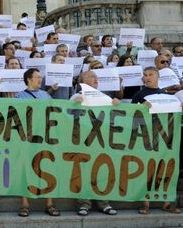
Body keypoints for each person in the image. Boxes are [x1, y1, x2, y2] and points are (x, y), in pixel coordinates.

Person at [132, 67, 181, 215]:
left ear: (158, 76)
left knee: (165, 169)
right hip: (145, 137)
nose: (147, 77)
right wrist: (141, 108)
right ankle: (146, 203)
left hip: (165, 139)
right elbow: (131, 115)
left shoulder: (166, 95)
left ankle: (166, 203)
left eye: (151, 74)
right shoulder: (139, 95)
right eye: (145, 75)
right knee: (147, 170)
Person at [70, 71, 118, 216]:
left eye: (96, 77)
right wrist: (75, 104)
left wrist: (117, 104)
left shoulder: (104, 97)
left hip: (101, 141)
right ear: (82, 81)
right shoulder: (76, 96)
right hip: (83, 141)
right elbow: (68, 113)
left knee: (102, 170)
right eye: (91, 76)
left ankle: (104, 203)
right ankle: (84, 203)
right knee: (84, 172)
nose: (95, 79)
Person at [15, 68, 60, 217]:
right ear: (29, 79)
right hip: (28, 138)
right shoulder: (20, 96)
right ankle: (25, 204)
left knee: (48, 168)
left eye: (41, 77)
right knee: (26, 168)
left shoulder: (46, 95)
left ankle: (49, 204)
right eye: (37, 77)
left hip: (45, 136)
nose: (40, 80)